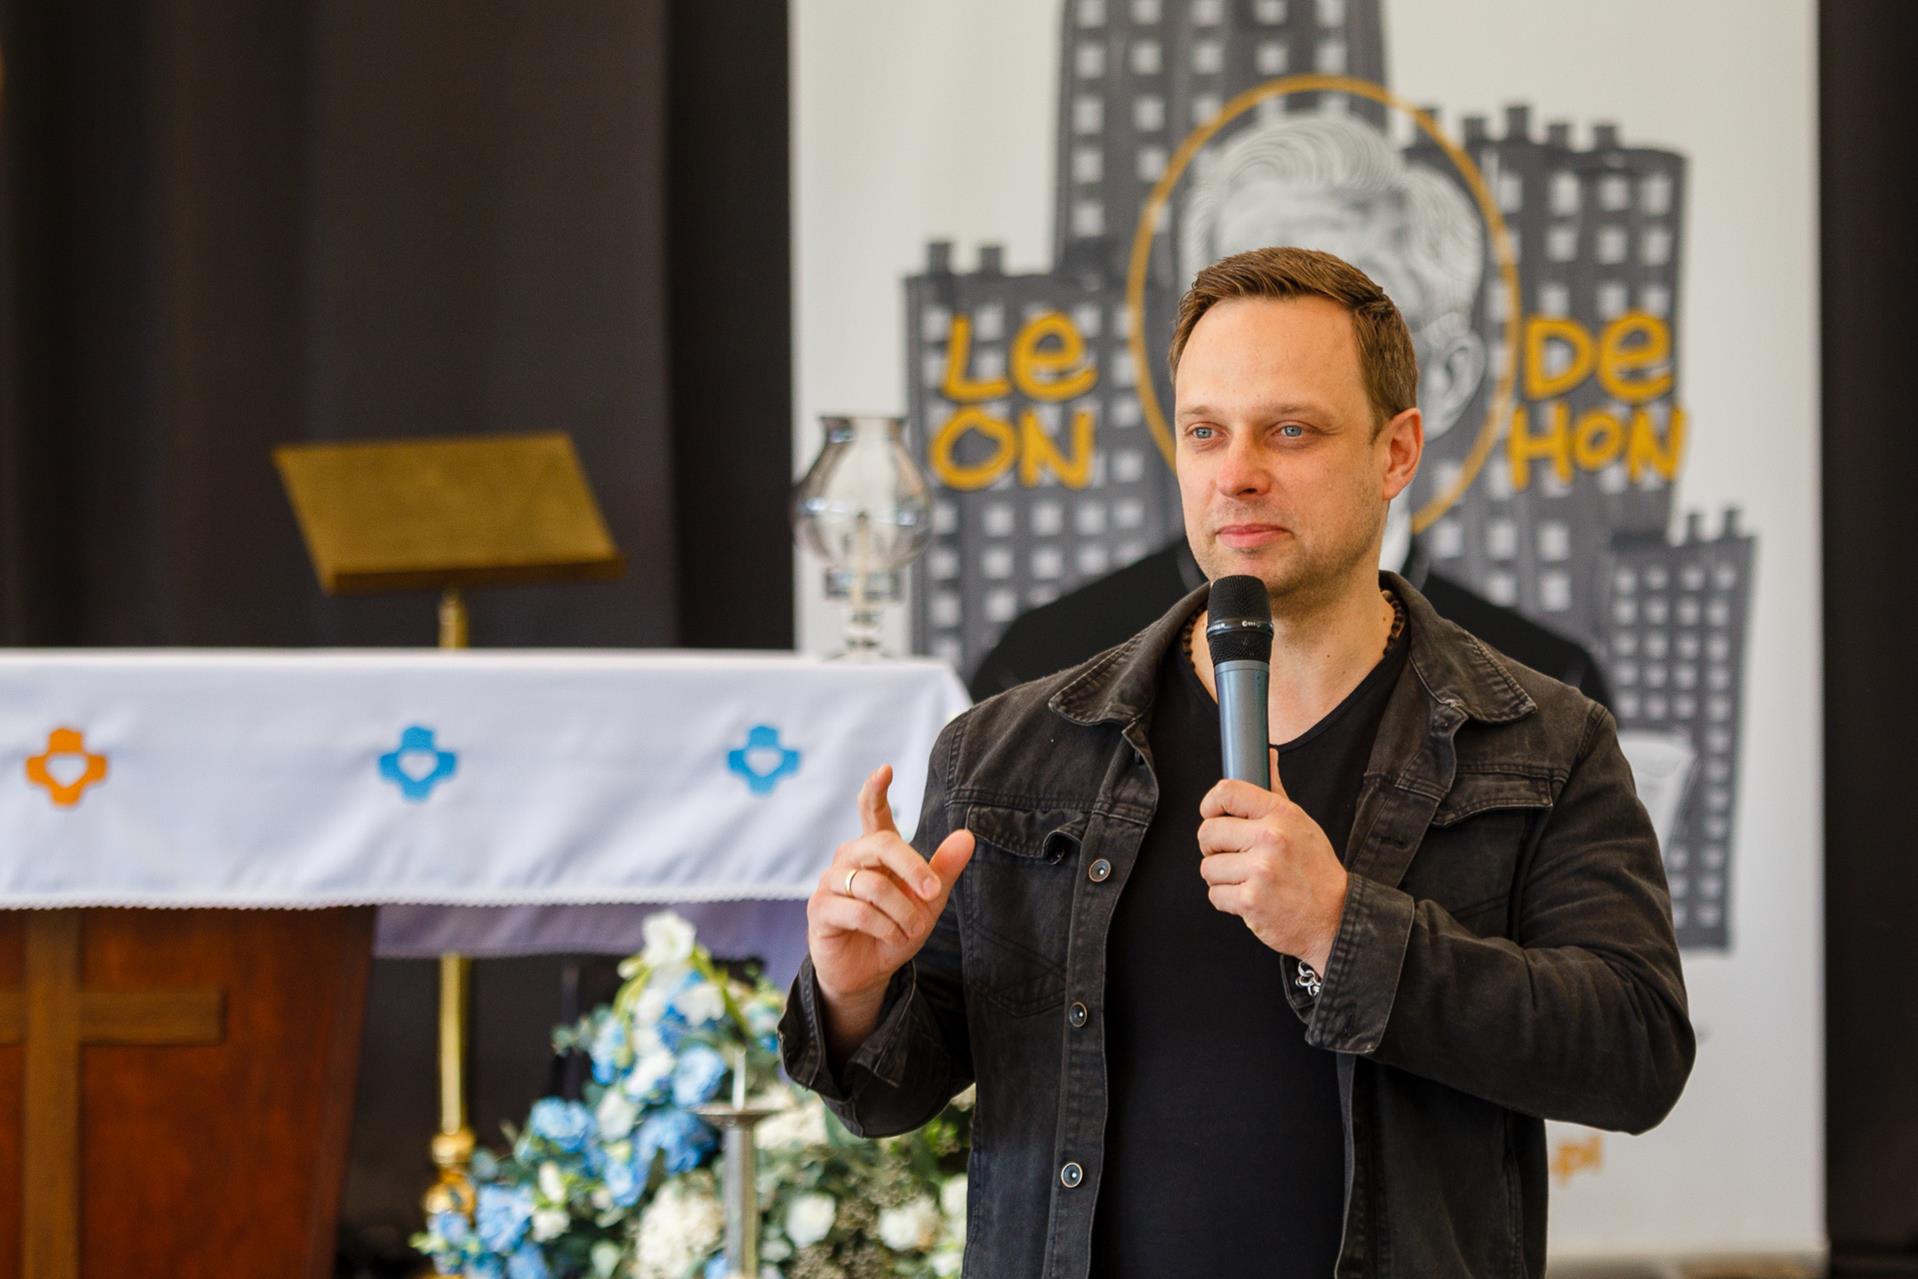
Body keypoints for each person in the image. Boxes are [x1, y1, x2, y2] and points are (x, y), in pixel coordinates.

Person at [779, 246, 1693, 1277]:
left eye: (1290, 430)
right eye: (1205, 431)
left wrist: (1340, 928)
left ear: (1396, 453)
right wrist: (854, 991)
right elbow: (894, 1090)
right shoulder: (1009, 748)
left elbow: (1636, 1053)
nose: (1237, 471)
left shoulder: (1541, 738)